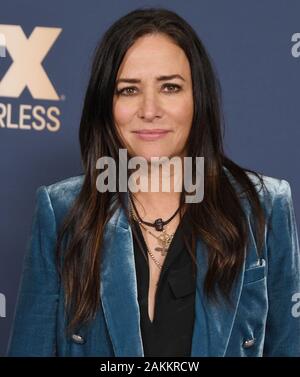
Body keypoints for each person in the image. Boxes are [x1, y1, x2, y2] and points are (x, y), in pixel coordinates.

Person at [7, 7, 300, 357]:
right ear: (106, 103)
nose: (149, 109)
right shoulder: (62, 210)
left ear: (198, 98)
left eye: (170, 87)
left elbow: (288, 345)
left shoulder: (263, 204)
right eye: (129, 90)